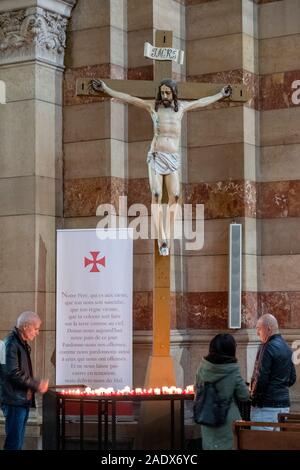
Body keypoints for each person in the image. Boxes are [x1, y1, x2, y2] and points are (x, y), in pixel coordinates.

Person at [91, 78, 232, 255]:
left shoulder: (181, 108)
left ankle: (169, 235)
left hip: (172, 158)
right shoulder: (153, 107)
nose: (164, 95)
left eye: (168, 92)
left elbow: (201, 102)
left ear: (174, 93)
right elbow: (129, 98)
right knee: (156, 194)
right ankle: (161, 237)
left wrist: (220, 94)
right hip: (156, 156)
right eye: (162, 92)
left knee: (176, 195)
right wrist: (107, 89)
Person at [0, 311, 49, 450]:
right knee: (14, 443)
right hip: (14, 400)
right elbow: (12, 373)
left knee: (18, 442)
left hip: (20, 400)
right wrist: (36, 384)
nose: (37, 332)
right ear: (26, 326)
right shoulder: (11, 343)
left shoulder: (20, 342)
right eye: (36, 328)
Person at [195, 333, 249, 450]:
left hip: (207, 416)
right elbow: (244, 395)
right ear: (231, 350)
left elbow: (197, 391)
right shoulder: (233, 369)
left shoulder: (202, 367)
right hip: (228, 420)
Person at [250, 313, 296, 429]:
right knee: (276, 443)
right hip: (284, 407)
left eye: (259, 329)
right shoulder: (287, 347)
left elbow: (261, 378)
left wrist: (253, 398)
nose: (257, 333)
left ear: (268, 329)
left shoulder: (267, 347)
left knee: (260, 444)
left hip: (265, 408)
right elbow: (292, 378)